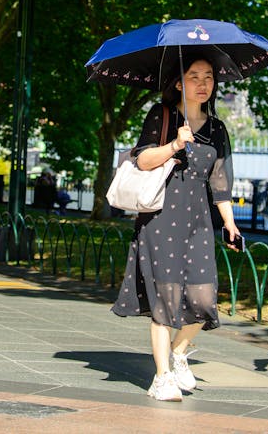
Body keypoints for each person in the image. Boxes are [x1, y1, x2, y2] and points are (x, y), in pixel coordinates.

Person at [111, 56, 240, 402]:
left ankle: (180, 352)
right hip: (161, 217)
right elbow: (141, 160)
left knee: (204, 298)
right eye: (194, 76)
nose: (203, 83)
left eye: (209, 77)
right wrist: (174, 146)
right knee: (166, 301)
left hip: (198, 220)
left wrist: (229, 223)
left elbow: (220, 182)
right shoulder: (162, 115)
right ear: (179, 84)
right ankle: (162, 376)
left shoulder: (216, 129)